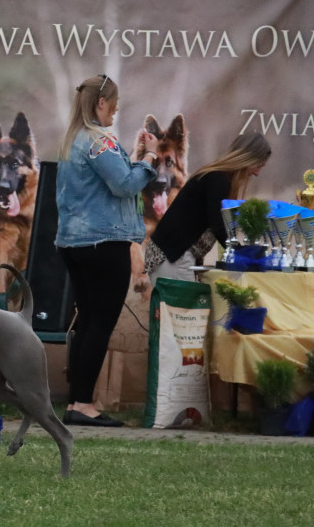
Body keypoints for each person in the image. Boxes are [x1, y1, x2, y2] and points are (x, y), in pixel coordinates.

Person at [55, 74, 158, 427]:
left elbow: (110, 178)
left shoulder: (74, 141)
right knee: (100, 323)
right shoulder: (99, 142)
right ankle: (84, 403)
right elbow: (124, 185)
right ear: (101, 104)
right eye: (113, 105)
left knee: (86, 322)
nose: (115, 112)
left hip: (73, 243)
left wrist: (135, 155)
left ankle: (75, 402)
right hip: (103, 244)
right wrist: (151, 159)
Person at [145, 132, 272, 282]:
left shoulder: (217, 177)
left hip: (174, 255)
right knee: (182, 306)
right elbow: (217, 224)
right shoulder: (218, 179)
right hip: (173, 257)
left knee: (183, 305)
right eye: (258, 165)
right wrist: (240, 252)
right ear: (247, 158)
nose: (257, 173)